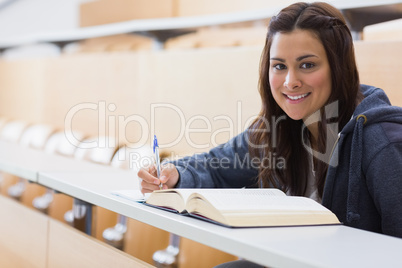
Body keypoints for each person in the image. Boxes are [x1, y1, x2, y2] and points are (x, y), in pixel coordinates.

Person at [138, 1, 402, 242]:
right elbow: (216, 166)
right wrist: (175, 174)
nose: (290, 81)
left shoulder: (382, 142)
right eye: (279, 66)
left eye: (307, 65)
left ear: (339, 67)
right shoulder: (275, 130)